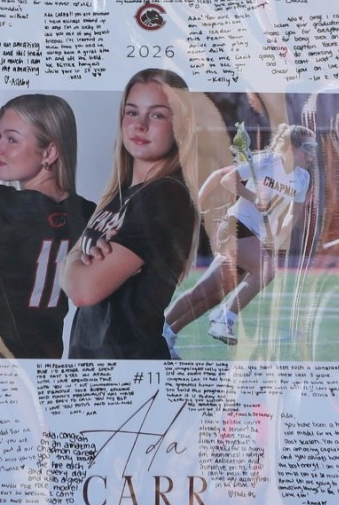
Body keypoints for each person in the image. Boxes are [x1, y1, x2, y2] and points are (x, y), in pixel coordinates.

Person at [62, 68, 203, 360]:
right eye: (132, 112)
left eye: (157, 115)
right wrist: (77, 264)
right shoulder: (122, 193)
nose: (139, 125)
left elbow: (84, 291)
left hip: (130, 369)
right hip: (95, 368)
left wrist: (73, 262)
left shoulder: (166, 196)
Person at [0, 94, 94, 358]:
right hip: (44, 372)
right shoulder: (91, 215)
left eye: (11, 139)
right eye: (0, 137)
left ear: (49, 152)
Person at [163, 122, 313, 352]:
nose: (311, 156)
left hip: (257, 238)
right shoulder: (266, 161)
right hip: (235, 226)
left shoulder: (303, 178)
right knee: (267, 270)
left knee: (209, 293)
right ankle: (225, 318)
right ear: (292, 148)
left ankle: (166, 332)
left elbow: (295, 214)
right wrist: (253, 197)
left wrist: (281, 235)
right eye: (307, 150)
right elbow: (226, 179)